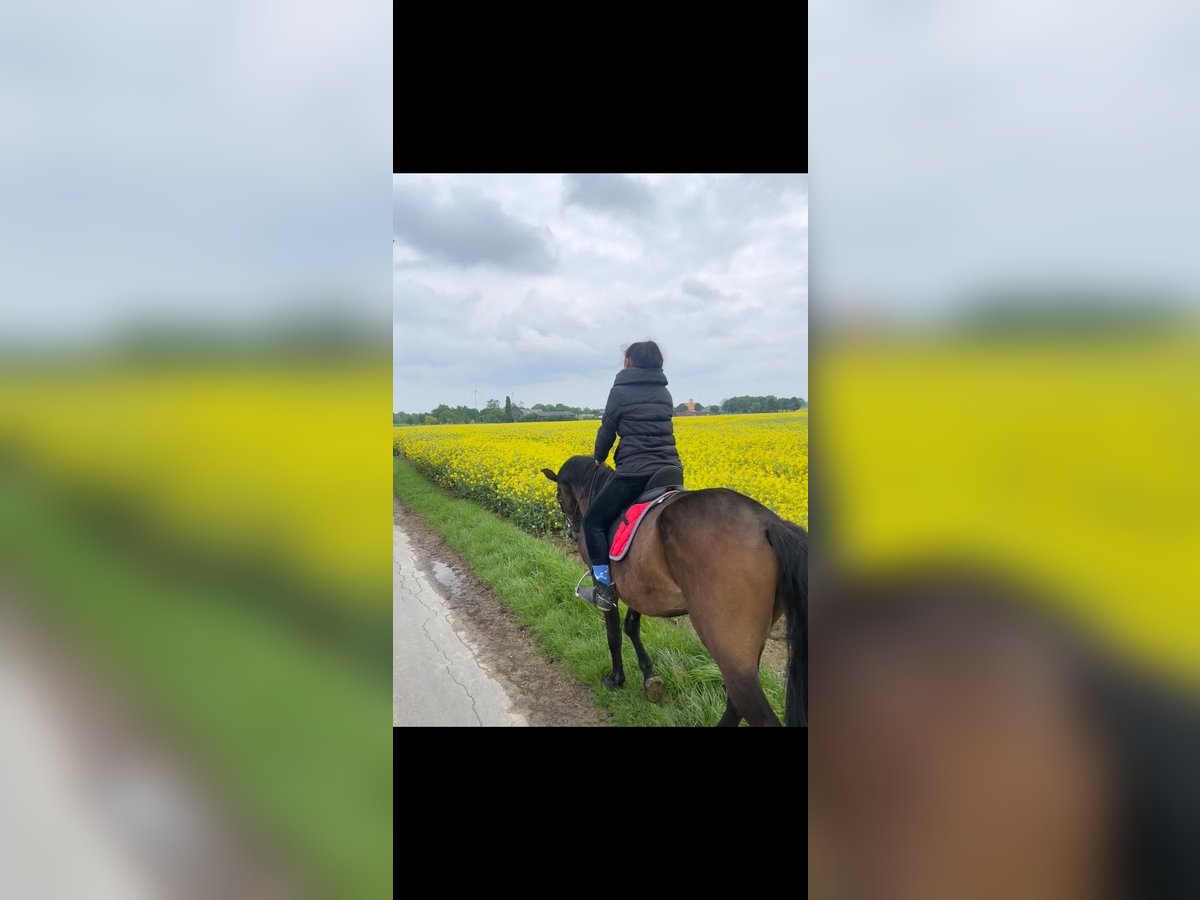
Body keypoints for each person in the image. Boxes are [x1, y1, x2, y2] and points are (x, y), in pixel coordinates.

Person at [577, 340, 683, 611]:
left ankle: (604, 589)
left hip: (635, 473)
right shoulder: (665, 393)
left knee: (593, 522)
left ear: (629, 363)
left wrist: (599, 457)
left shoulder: (620, 391)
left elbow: (607, 429)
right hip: (669, 471)